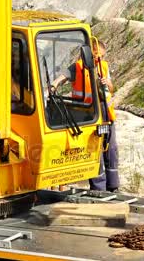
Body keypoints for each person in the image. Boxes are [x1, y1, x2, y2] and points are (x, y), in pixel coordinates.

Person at [51, 41, 119, 192]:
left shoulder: (104, 66)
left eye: (101, 56)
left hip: (106, 115)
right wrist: (53, 86)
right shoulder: (78, 67)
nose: (99, 59)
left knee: (112, 151)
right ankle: (99, 188)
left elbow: (112, 89)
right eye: (96, 56)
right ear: (89, 53)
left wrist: (107, 83)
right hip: (89, 116)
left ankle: (113, 186)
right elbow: (62, 78)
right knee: (95, 153)